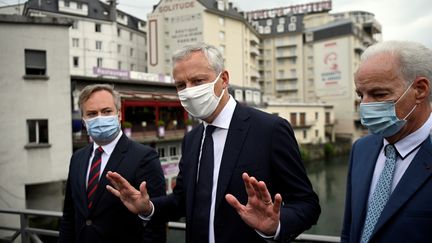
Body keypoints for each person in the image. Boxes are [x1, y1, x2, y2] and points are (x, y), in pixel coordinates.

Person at [106, 42, 320, 243]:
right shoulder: (192, 139)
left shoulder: (270, 129)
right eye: (181, 85)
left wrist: (275, 226)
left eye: (198, 81)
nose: (188, 91)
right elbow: (182, 200)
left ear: (224, 79)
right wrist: (148, 207)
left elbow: (307, 204)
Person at [341, 41, 432, 243]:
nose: (364, 105)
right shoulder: (361, 149)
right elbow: (350, 229)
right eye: (360, 95)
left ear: (420, 89)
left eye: (379, 94)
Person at [59, 84, 166, 243]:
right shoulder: (77, 158)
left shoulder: (144, 157)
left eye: (107, 111)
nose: (100, 118)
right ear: (84, 121)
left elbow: (156, 223)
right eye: (92, 113)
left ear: (119, 114)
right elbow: (69, 214)